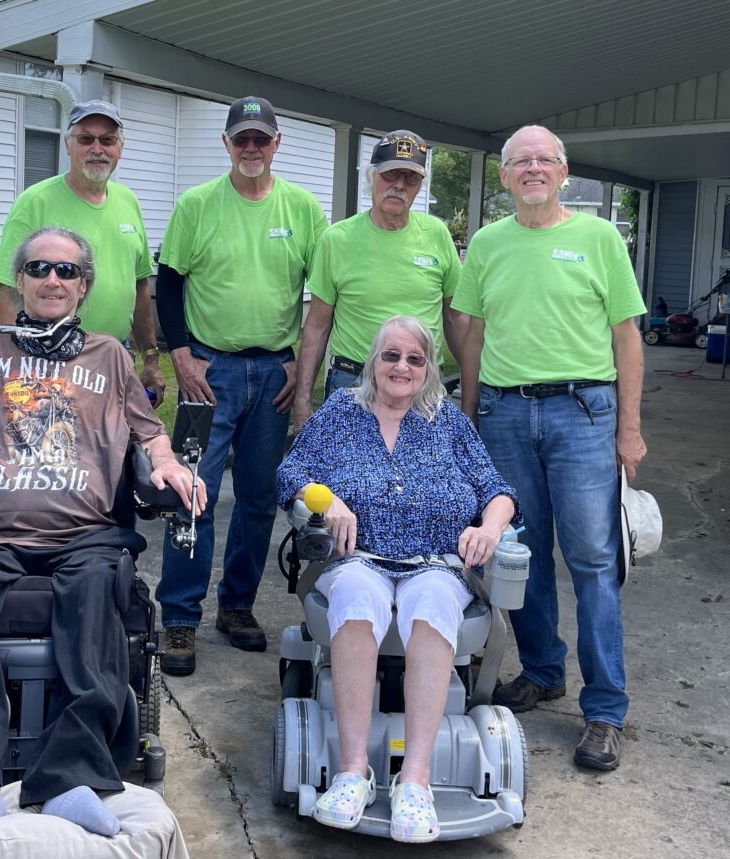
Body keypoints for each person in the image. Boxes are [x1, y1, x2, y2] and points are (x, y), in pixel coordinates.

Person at [0, 227, 203, 838]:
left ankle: (72, 778)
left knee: (102, 584)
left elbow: (148, 433)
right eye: (40, 268)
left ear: (85, 286)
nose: (53, 279)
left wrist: (169, 464)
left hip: (86, 535)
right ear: (20, 280)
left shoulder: (110, 356)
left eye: (67, 271)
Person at [277, 316, 517, 841]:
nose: (401, 367)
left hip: (435, 563)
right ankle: (352, 772)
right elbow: (292, 473)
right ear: (373, 361)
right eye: (391, 356)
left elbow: (497, 490)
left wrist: (491, 528)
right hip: (356, 558)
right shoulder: (343, 411)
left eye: (414, 358)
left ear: (428, 367)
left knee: (431, 604)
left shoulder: (448, 422)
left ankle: (416, 782)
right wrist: (329, 500)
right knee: (359, 597)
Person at [453, 124, 647, 772]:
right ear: (505, 177)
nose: (532, 169)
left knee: (593, 559)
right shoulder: (486, 244)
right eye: (520, 162)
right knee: (519, 553)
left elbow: (627, 339)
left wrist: (629, 426)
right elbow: (473, 336)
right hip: (506, 413)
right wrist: (470, 416)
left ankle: (605, 710)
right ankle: (541, 668)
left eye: (544, 159)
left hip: (584, 412)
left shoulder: (599, 238)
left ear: (563, 172)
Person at [154, 96, 329, 675]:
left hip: (274, 376)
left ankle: (236, 607)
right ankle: (179, 617)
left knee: (257, 499)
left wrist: (302, 368)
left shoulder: (302, 209)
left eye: (262, 139)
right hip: (209, 373)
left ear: (277, 144)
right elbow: (169, 284)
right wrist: (180, 355)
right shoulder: (198, 205)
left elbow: (324, 296)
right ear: (227, 145)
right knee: (190, 494)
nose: (252, 148)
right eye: (242, 139)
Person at [0, 100, 164, 407]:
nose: (98, 148)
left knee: (113, 447)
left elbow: (139, 286)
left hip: (115, 357)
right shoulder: (36, 202)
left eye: (107, 140)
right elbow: (8, 289)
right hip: (48, 358)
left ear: (120, 148)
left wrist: (150, 357)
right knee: (54, 448)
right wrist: (11, 371)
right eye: (86, 139)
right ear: (68, 145)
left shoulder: (129, 202)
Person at [293, 131, 463, 432]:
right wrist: (302, 401)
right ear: (372, 176)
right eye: (390, 175)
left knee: (422, 478)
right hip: (355, 384)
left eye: (410, 178)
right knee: (347, 478)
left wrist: (472, 393)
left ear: (420, 186)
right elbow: (317, 326)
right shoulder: (338, 239)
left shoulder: (437, 234)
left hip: (420, 386)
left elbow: (454, 318)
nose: (399, 185)